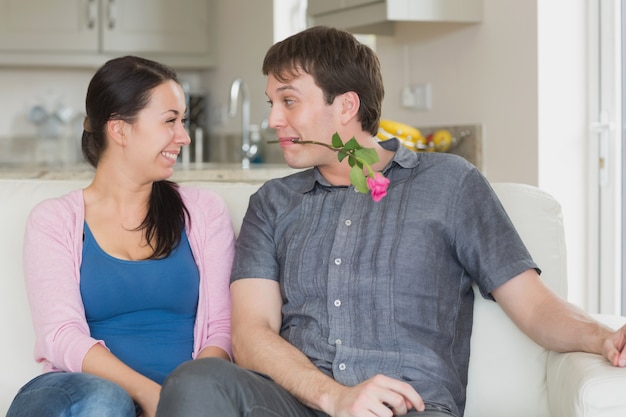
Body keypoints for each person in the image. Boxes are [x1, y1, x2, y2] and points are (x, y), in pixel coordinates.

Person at [156, 26, 626, 417]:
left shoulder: (449, 183)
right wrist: (334, 397)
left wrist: (604, 337)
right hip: (297, 403)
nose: (274, 120)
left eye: (289, 101)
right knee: (198, 382)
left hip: (404, 407)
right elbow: (251, 333)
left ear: (346, 105)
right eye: (270, 103)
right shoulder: (274, 202)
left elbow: (533, 306)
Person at [7, 56, 235, 417]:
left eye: (183, 122)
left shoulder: (204, 212)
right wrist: (152, 396)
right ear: (120, 130)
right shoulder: (54, 221)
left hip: (182, 398)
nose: (184, 137)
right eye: (170, 121)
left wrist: (189, 399)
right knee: (106, 401)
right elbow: (60, 336)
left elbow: (222, 329)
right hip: (75, 395)